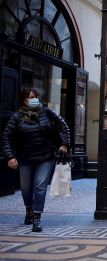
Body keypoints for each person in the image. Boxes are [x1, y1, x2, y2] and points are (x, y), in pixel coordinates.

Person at [2, 88, 69, 232]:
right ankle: (29, 210)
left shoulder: (46, 112)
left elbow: (63, 125)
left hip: (45, 156)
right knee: (26, 188)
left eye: (35, 97)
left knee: (40, 186)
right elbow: (7, 137)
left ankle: (37, 217)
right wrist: (10, 156)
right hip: (25, 157)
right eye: (30, 98)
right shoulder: (16, 117)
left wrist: (64, 144)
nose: (34, 100)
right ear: (23, 101)